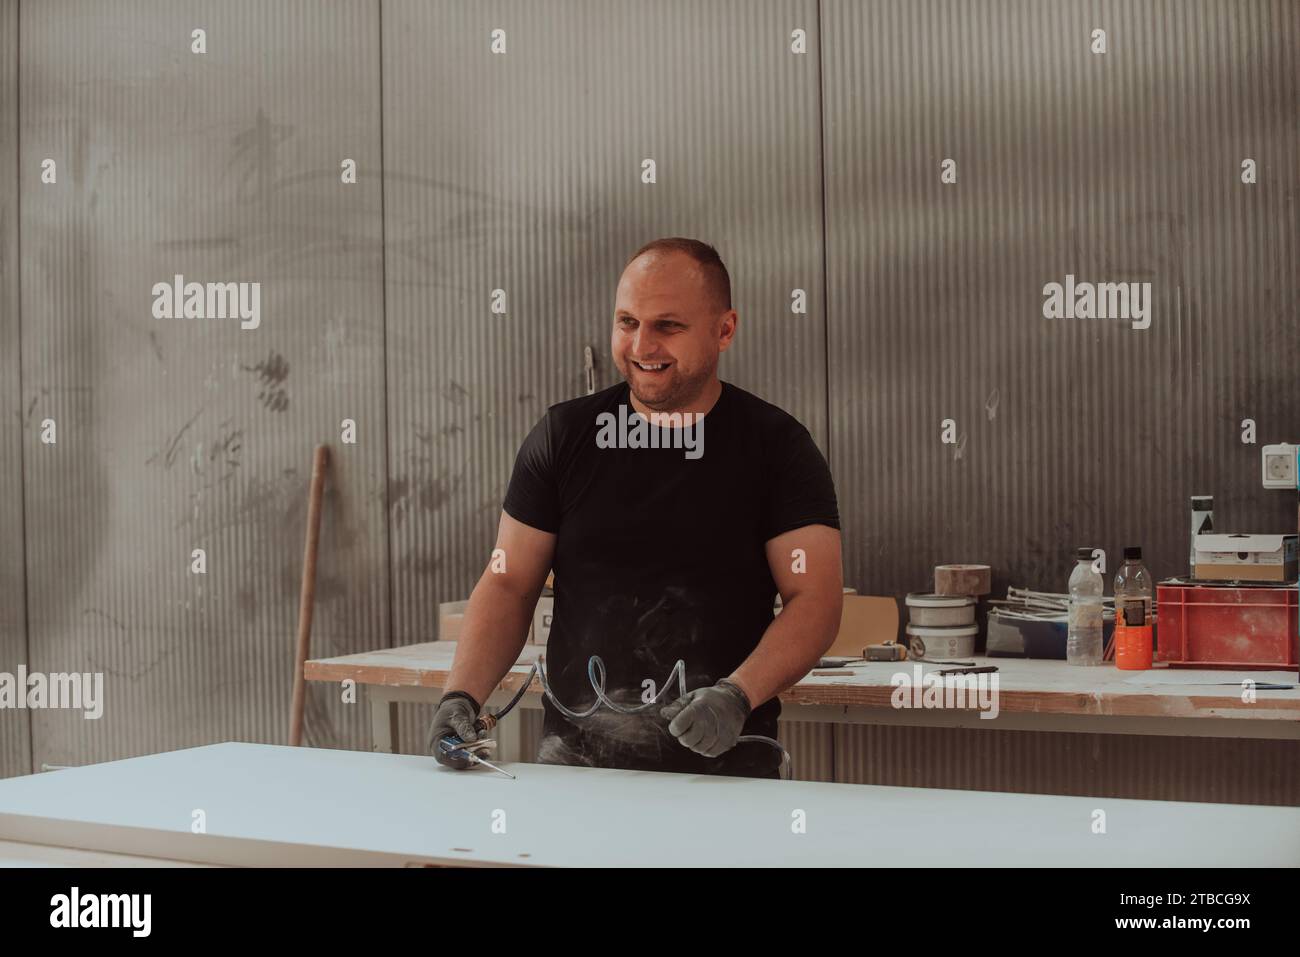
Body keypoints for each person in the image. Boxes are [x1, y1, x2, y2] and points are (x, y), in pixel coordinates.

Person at [428, 237, 842, 778]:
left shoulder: (777, 448)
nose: (642, 344)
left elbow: (814, 600)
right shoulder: (563, 437)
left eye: (668, 326)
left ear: (724, 329)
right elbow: (509, 583)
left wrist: (737, 696)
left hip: (724, 771)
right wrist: (460, 697)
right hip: (575, 772)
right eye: (627, 322)